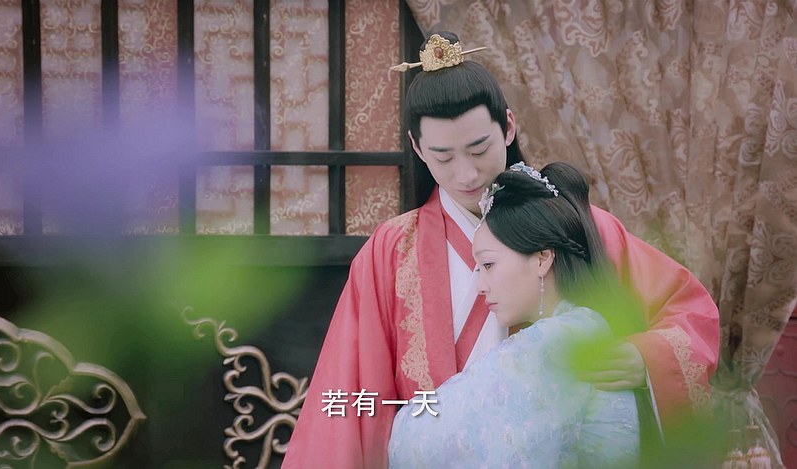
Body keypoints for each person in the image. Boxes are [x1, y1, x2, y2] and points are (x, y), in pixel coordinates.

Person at [283, 31, 719, 469]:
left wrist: (645, 360)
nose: (467, 174)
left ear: (508, 127)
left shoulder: (580, 226)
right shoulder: (392, 251)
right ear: (417, 148)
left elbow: (689, 313)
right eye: (443, 157)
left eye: (479, 148)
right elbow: (350, 399)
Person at [388, 161, 642, 468]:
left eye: (489, 265)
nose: (480, 286)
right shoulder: (585, 326)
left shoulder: (553, 341)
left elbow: (413, 439)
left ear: (542, 258)